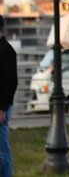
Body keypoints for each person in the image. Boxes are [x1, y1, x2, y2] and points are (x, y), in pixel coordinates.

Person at [0, 15, 17, 177]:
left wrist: (2, 109)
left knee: (2, 151)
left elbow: (11, 82)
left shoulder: (6, 50)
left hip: (1, 107)